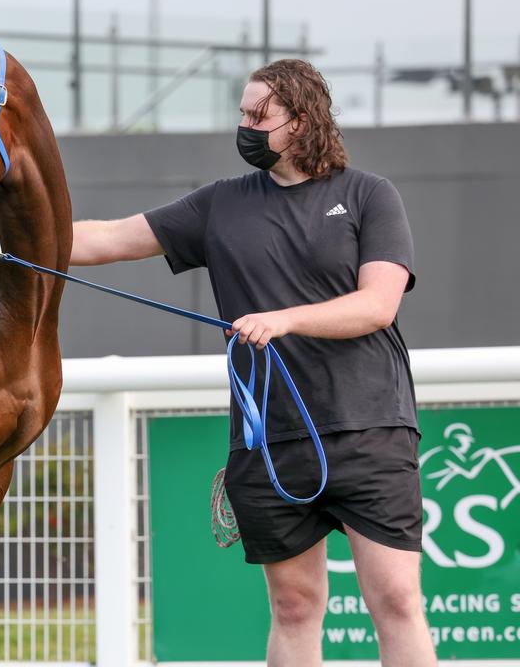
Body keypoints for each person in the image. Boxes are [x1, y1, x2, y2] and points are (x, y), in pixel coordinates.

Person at [70, 59, 434, 666]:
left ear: (302, 118)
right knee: (293, 607)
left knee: (396, 600)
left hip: (370, 430)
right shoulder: (221, 203)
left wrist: (285, 318)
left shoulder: (368, 194)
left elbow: (378, 304)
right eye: (242, 113)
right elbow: (106, 238)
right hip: (268, 441)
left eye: (257, 114)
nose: (244, 125)